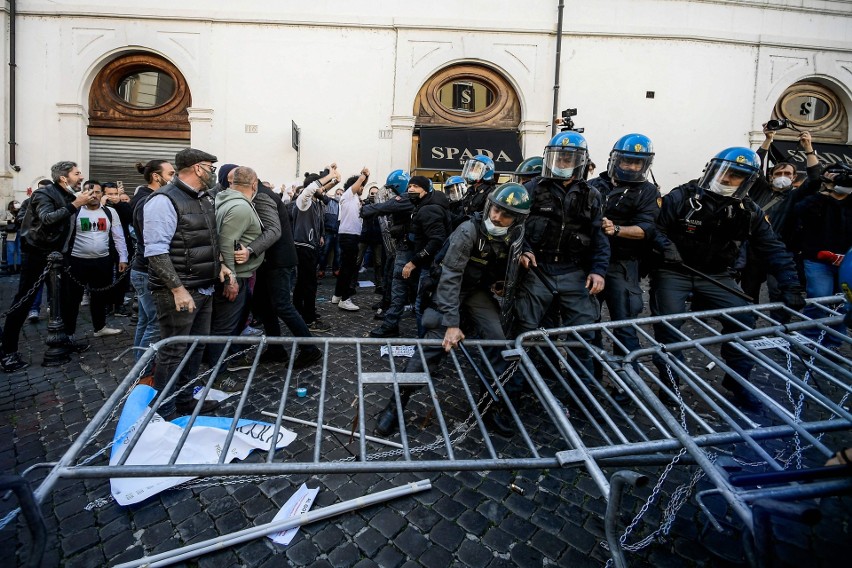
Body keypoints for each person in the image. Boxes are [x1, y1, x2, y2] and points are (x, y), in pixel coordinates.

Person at [651, 147, 806, 410]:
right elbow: (655, 228)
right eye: (723, 172)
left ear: (747, 181)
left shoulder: (749, 211)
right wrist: (665, 246)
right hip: (674, 271)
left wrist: (791, 284)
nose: (726, 178)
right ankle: (670, 384)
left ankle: (738, 382)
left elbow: (773, 248)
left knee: (744, 320)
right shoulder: (682, 196)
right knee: (669, 326)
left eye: (735, 176)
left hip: (716, 274)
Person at [374, 182, 532, 437]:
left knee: (497, 341)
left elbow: (521, 244)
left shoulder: (515, 234)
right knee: (433, 345)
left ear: (517, 220)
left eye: (505, 215)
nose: (496, 217)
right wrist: (452, 323)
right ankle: (395, 405)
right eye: (495, 209)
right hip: (449, 291)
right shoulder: (468, 230)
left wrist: (524, 255)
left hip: (477, 292)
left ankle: (489, 406)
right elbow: (450, 277)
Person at [513, 131, 609, 378]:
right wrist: (523, 248)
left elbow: (599, 238)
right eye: (558, 158)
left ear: (580, 161)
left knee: (583, 332)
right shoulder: (532, 189)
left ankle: (582, 389)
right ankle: (529, 380)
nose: (561, 164)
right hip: (538, 269)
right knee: (528, 327)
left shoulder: (592, 195)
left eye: (567, 159)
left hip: (573, 270)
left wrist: (598, 271)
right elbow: (515, 226)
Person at [144, 148, 231, 416]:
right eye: (211, 167)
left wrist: (221, 265)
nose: (214, 173)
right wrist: (178, 289)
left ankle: (185, 400)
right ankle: (164, 408)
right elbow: (156, 251)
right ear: (197, 168)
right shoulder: (163, 201)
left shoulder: (204, 198)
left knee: (195, 349)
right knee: (174, 352)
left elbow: (207, 239)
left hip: (203, 286)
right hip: (179, 292)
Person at [1, 162, 93, 372]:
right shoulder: (45, 194)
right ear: (64, 178)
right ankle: (7, 352)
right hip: (39, 254)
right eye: (77, 173)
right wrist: (75, 204)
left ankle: (64, 339)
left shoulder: (69, 195)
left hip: (61, 255)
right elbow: (47, 219)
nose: (81, 177)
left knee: (67, 298)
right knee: (23, 301)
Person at [587, 134, 660, 355]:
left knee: (624, 324)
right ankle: (590, 378)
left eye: (637, 162)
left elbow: (646, 229)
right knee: (589, 323)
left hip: (622, 264)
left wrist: (616, 230)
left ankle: (626, 381)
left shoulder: (648, 191)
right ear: (615, 159)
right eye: (627, 160)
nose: (631, 166)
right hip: (590, 262)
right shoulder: (593, 185)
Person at [205, 166, 266, 365]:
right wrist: (230, 279)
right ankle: (218, 373)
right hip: (235, 276)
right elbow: (225, 242)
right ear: (254, 184)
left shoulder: (227, 200)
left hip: (237, 273)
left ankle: (220, 365)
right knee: (225, 327)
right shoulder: (240, 207)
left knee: (225, 325)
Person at [788, 163, 852, 348]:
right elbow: (798, 210)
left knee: (843, 303)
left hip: (847, 262)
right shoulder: (817, 200)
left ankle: (833, 343)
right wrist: (825, 191)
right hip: (818, 259)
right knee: (819, 299)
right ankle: (809, 340)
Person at [64, 180, 127, 338]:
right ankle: (68, 332)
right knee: (72, 299)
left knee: (100, 297)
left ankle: (100, 327)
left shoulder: (109, 212)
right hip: (77, 261)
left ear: (102, 194)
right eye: (89, 192)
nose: (93, 195)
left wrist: (123, 258)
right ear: (83, 193)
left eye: (97, 192)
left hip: (102, 261)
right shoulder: (75, 211)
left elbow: (119, 237)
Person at [130, 159, 175, 370]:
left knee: (145, 320)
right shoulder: (150, 201)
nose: (173, 179)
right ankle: (143, 370)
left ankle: (137, 365)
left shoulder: (146, 198)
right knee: (154, 322)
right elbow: (150, 241)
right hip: (146, 270)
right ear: (157, 177)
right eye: (170, 174)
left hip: (142, 269)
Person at [362, 170, 416, 337]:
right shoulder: (410, 198)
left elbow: (390, 205)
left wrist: (368, 209)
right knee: (398, 281)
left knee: (399, 285)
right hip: (405, 247)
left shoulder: (407, 198)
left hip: (407, 247)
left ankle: (391, 323)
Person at [292, 166, 339, 332]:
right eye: (321, 187)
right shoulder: (303, 200)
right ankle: (309, 320)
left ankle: (298, 312)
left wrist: (336, 180)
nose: (323, 190)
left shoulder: (316, 200)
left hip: (309, 247)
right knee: (310, 284)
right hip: (303, 248)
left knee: (302, 283)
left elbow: (320, 190)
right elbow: (314, 188)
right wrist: (330, 176)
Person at [332, 168, 370, 311]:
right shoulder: (348, 194)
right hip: (349, 236)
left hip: (350, 236)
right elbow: (358, 182)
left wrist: (365, 177)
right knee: (349, 269)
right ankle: (345, 299)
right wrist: (364, 175)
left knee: (345, 268)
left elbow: (361, 182)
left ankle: (337, 295)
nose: (362, 188)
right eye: (361, 186)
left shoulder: (354, 198)